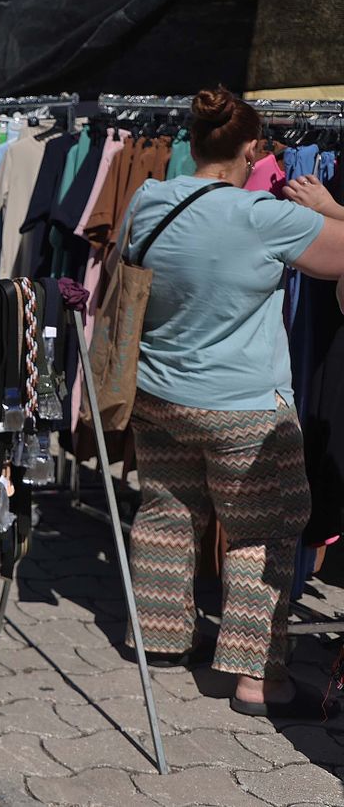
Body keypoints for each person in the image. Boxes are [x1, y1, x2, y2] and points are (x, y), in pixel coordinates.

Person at [123, 85, 344, 720]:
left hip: (159, 393)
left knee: (166, 514)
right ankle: (257, 680)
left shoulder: (149, 200)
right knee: (264, 534)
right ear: (251, 149)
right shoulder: (265, 217)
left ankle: (163, 638)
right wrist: (331, 205)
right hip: (243, 408)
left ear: (193, 144)